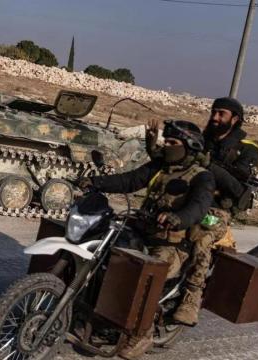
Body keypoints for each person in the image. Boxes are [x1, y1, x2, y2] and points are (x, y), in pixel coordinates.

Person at [80, 119, 215, 360]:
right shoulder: (160, 166)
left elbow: (199, 207)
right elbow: (130, 180)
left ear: (189, 147)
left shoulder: (202, 177)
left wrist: (177, 218)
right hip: (142, 230)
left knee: (145, 275)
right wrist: (96, 183)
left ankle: (143, 333)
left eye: (173, 142)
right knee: (103, 250)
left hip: (171, 245)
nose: (166, 146)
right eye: (166, 141)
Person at [145, 97, 258, 327]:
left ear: (235, 119)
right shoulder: (201, 140)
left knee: (201, 237)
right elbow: (173, 162)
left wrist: (209, 166)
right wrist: (152, 146)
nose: (215, 118)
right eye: (214, 113)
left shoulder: (247, 150)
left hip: (216, 211)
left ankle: (191, 297)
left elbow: (238, 190)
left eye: (222, 114)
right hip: (187, 201)